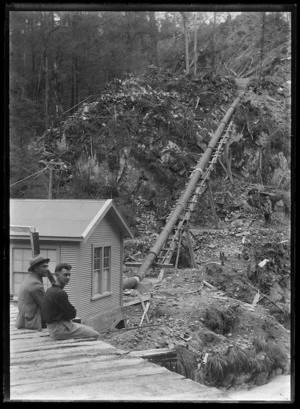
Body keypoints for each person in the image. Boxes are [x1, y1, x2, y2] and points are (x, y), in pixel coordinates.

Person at [42, 263, 100, 340]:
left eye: (69, 275)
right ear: (57, 275)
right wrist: (69, 311)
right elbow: (71, 314)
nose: (68, 277)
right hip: (59, 329)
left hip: (53, 328)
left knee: (90, 329)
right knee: (95, 334)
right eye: (65, 275)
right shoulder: (60, 293)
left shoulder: (50, 290)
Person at [15, 254, 50, 331]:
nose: (47, 269)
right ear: (36, 268)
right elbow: (45, 306)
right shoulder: (36, 284)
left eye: (47, 266)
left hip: (23, 319)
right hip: (32, 322)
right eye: (44, 267)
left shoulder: (29, 279)